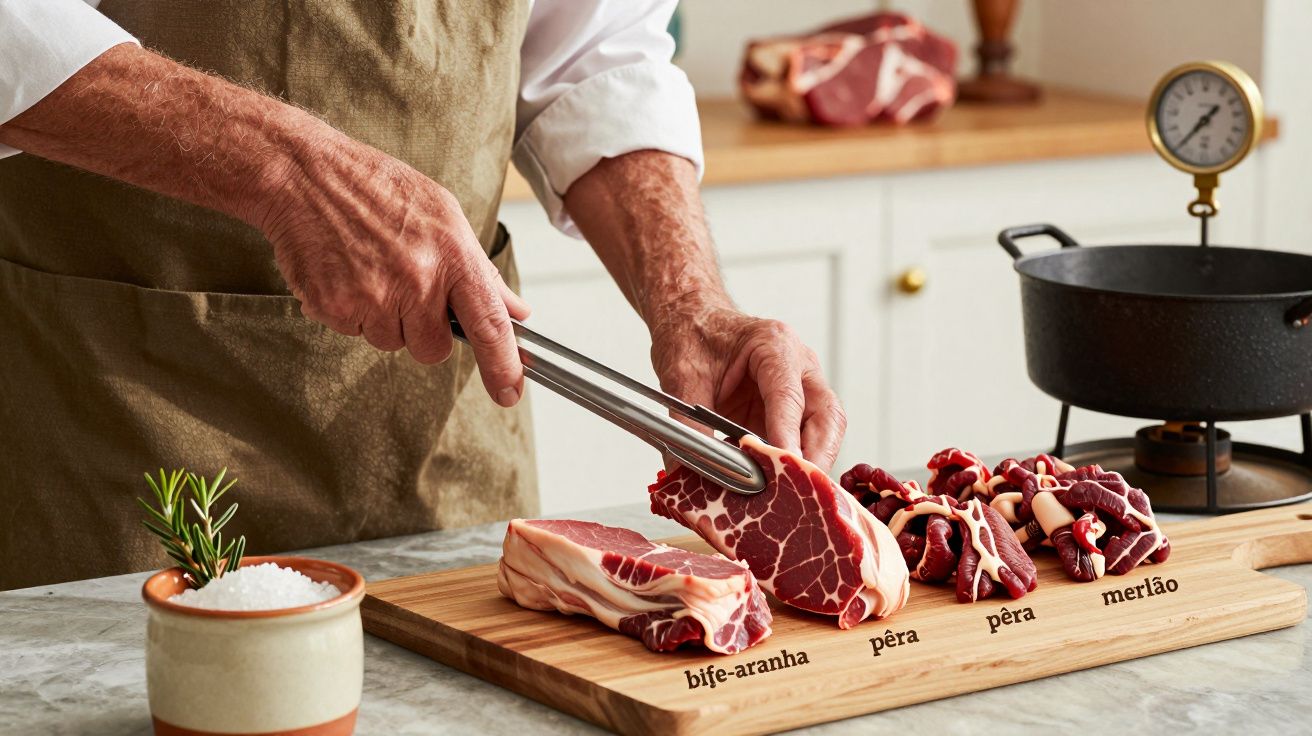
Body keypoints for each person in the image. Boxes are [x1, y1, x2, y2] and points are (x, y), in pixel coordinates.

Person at [0, 0, 845, 590]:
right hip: (108, 409)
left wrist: (692, 302)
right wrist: (287, 170)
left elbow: (594, 51)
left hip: (438, 426)